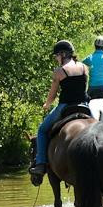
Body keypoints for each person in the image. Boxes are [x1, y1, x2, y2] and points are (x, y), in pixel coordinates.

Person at [29, 40, 88, 185]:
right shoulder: (84, 67)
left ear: (62, 54)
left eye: (56, 55)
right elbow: (84, 88)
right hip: (84, 105)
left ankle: (41, 163)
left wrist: (47, 104)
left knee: (42, 130)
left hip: (66, 106)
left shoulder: (59, 71)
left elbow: (53, 94)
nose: (56, 59)